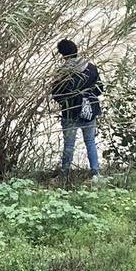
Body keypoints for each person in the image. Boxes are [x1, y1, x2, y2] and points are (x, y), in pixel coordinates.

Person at [50, 39, 104, 180]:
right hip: (89, 111)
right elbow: (99, 90)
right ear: (76, 50)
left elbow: (56, 94)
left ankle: (64, 175)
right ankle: (95, 173)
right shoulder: (91, 67)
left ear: (62, 54)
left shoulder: (63, 71)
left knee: (69, 145)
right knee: (90, 141)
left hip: (70, 112)